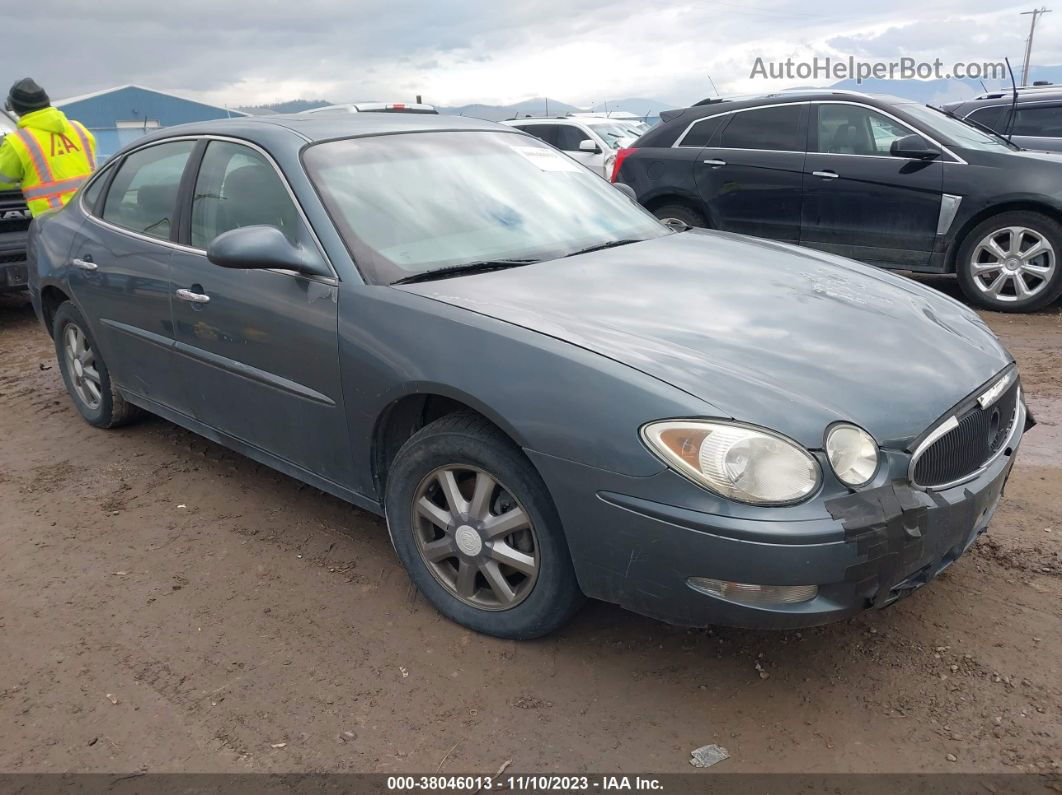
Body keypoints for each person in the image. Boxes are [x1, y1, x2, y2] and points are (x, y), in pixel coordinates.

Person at [0, 78, 96, 216]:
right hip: (91, 212)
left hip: (53, 218)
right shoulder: (78, 128)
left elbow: (3, 181)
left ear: (14, 108)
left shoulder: (17, 141)